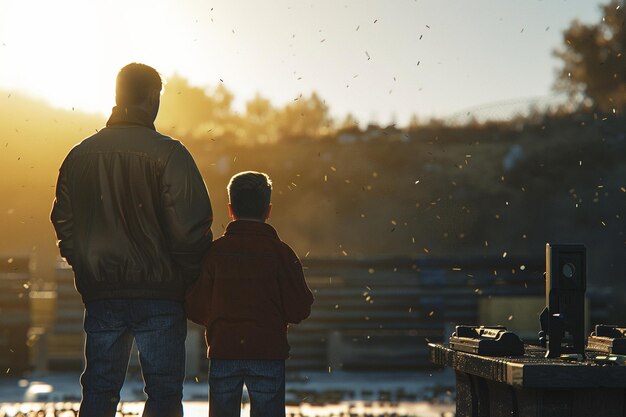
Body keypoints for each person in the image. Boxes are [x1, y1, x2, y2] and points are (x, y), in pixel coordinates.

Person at [50, 63, 213, 417]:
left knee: (99, 389)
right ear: (153, 97)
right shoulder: (170, 154)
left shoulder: (80, 156)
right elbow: (191, 230)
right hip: (161, 294)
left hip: (103, 293)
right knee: (165, 394)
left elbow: (64, 222)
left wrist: (87, 267)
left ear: (117, 95)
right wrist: (187, 279)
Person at [185, 171, 314, 417]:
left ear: (231, 209)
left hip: (225, 349)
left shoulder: (215, 253)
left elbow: (196, 306)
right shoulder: (281, 253)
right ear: (268, 209)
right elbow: (299, 308)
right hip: (268, 350)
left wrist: (219, 320)